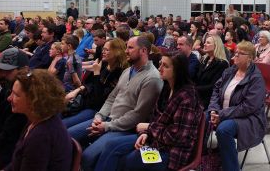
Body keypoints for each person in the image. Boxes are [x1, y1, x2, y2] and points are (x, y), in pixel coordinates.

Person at [67, 36, 163, 171]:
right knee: (68, 136)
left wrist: (106, 126)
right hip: (107, 119)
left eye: (130, 48)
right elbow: (112, 98)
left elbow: (138, 115)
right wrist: (99, 117)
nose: (126, 51)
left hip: (125, 128)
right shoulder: (127, 71)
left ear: (143, 51)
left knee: (87, 157)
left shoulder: (152, 78)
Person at [94, 53, 203, 171]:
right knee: (111, 146)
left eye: (165, 66)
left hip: (172, 151)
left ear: (178, 70)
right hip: (155, 140)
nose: (160, 68)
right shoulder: (167, 88)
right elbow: (155, 118)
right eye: (160, 64)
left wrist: (150, 128)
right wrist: (146, 133)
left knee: (126, 161)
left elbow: (177, 136)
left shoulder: (187, 97)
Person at [208, 41, 266, 171]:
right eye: (235, 53)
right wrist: (213, 109)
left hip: (248, 117)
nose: (236, 56)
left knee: (223, 130)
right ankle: (204, 158)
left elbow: (248, 107)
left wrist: (221, 115)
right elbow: (216, 90)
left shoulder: (256, 78)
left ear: (250, 58)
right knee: (200, 117)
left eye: (240, 53)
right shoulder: (230, 71)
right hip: (223, 112)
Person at [6, 69, 72, 171]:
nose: (9, 98)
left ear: (34, 100)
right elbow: (17, 163)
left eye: (16, 95)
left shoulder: (40, 136)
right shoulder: (36, 119)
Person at [63, 38, 128, 128]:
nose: (103, 52)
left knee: (65, 127)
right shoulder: (105, 64)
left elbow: (100, 98)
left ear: (117, 52)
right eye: (103, 49)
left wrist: (96, 73)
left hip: (98, 109)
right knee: (56, 116)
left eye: (107, 50)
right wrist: (78, 90)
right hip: (86, 100)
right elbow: (90, 84)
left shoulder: (121, 72)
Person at [0, 48, 29, 169]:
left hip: (9, 152)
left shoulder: (24, 95)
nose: (4, 74)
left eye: (8, 70)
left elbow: (8, 136)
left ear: (23, 69)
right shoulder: (8, 86)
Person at [195, 35, 229, 109]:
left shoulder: (222, 64)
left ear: (216, 46)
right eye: (205, 42)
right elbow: (197, 78)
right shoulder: (205, 59)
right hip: (197, 95)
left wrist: (195, 89)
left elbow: (214, 86)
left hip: (209, 100)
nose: (204, 44)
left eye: (208, 43)